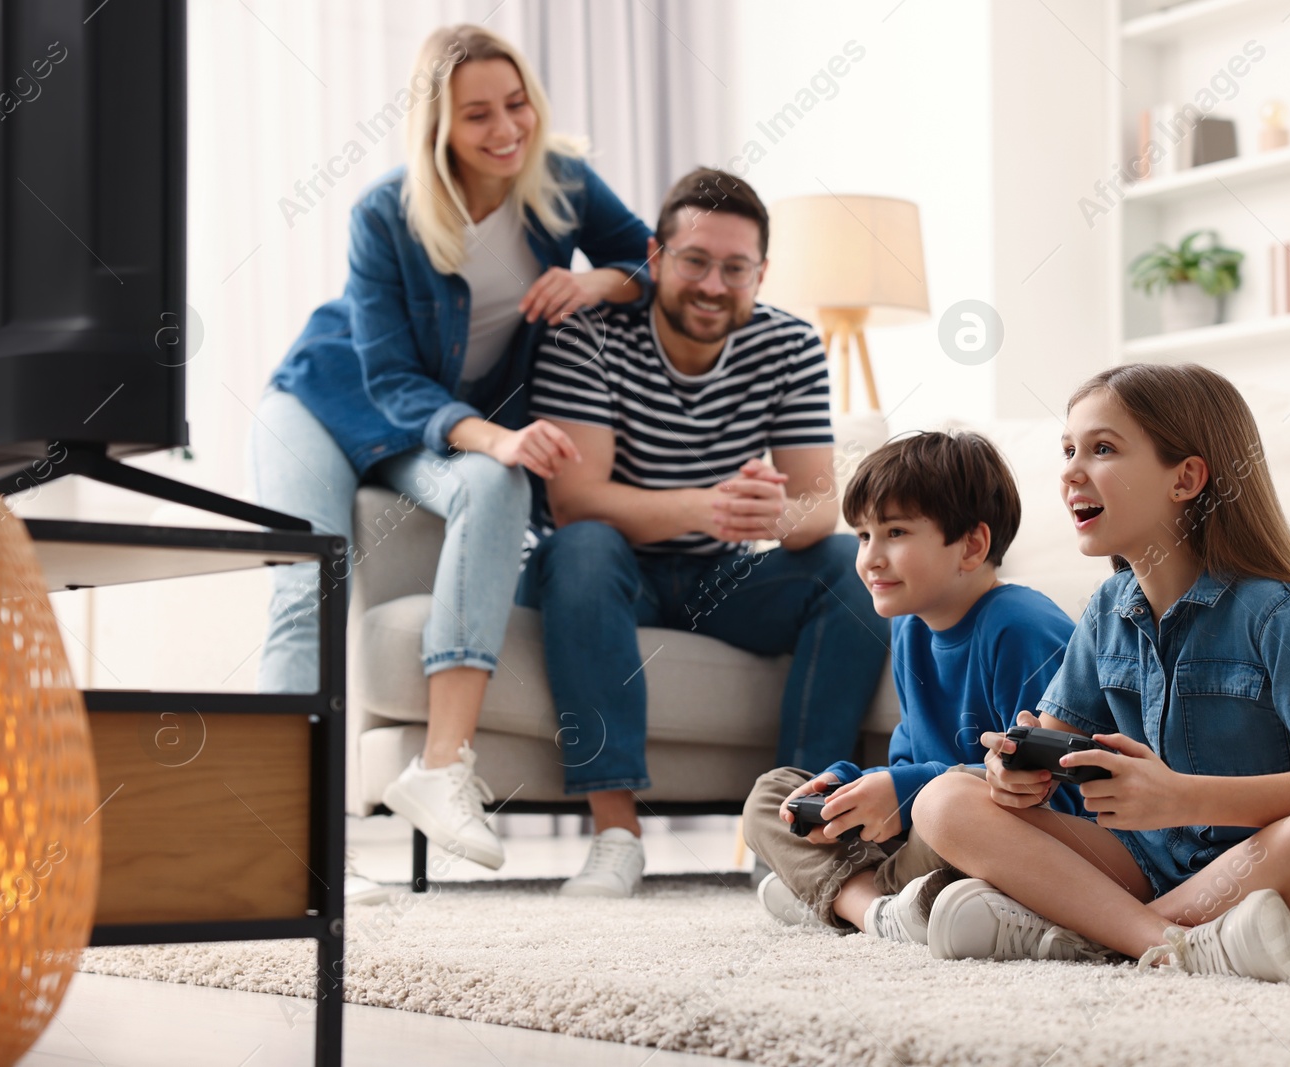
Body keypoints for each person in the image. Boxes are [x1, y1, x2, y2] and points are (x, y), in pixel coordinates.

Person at [252, 24, 654, 874]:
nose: (506, 129)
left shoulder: (561, 184)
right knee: (306, 586)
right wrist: (495, 434)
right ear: (438, 126)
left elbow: (647, 258)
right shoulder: (386, 212)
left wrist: (593, 281)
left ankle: (441, 768)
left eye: (517, 104)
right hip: (327, 399)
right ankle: (288, 839)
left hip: (431, 422)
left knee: (496, 483)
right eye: (479, 115)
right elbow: (393, 379)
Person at [909, 362, 1290, 980]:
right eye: (1068, 450)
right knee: (945, 799)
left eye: (1102, 449)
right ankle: (1159, 938)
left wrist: (1181, 797)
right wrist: (1012, 774)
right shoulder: (1108, 609)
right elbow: (1046, 749)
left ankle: (1101, 932)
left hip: (1285, 878)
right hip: (1156, 868)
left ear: (1186, 478)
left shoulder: (1273, 612)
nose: (1071, 471)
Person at [518, 167, 890, 898]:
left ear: (761, 272)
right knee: (585, 547)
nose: (714, 284)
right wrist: (704, 506)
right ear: (655, 258)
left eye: (735, 267)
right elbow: (577, 501)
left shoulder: (787, 343)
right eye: (694, 261)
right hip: (607, 569)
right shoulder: (588, 336)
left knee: (850, 562)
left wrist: (769, 516)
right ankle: (616, 835)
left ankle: (790, 829)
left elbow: (818, 503)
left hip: (717, 577)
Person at [740, 432, 1086, 944]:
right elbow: (910, 765)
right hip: (921, 835)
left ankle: (838, 897)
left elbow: (1051, 795)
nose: (870, 558)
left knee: (939, 821)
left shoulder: (1021, 627)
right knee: (772, 797)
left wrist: (908, 792)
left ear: (972, 546)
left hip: (1001, 831)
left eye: (895, 532)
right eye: (862, 536)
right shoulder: (909, 625)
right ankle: (879, 908)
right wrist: (857, 785)